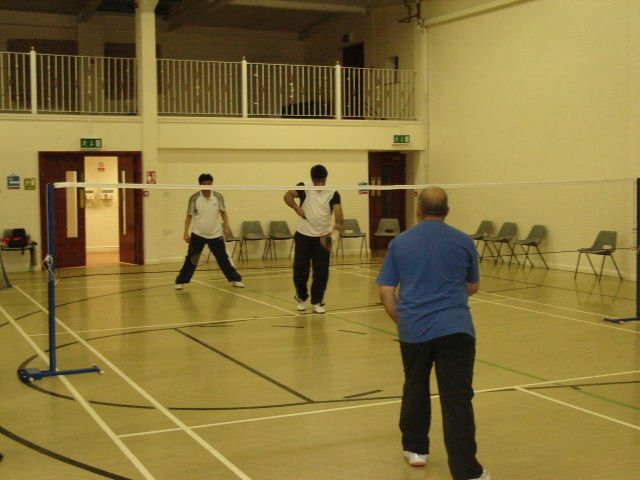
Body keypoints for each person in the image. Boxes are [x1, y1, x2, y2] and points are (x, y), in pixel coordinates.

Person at [376, 187, 490, 480]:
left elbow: (386, 290)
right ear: (447, 211)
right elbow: (473, 286)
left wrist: (400, 319)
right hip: (457, 330)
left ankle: (415, 449)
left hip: (414, 330)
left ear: (418, 211)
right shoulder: (464, 241)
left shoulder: (400, 243)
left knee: (415, 386)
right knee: (457, 399)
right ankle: (467, 472)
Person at [284, 164, 343, 313]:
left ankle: (317, 300)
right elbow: (287, 196)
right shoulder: (304, 187)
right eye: (317, 181)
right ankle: (301, 297)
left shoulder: (333, 192)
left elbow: (338, 214)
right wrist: (296, 208)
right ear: (312, 179)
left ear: (326, 179)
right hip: (303, 235)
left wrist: (335, 230)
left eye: (322, 181)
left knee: (321, 271)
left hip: (323, 237)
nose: (320, 184)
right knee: (300, 269)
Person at [175, 173, 244, 290]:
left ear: (212, 183)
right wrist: (185, 232)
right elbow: (189, 216)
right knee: (192, 259)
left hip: (215, 234)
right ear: (200, 185)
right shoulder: (194, 198)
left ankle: (235, 279)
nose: (207, 186)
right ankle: (181, 281)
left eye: (209, 184)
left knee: (223, 258)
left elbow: (223, 212)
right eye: (204, 184)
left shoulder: (218, 197)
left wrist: (227, 227)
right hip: (198, 234)